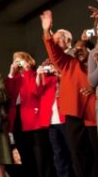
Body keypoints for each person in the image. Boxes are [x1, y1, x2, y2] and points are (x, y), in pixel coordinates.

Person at [40, 10, 98, 177]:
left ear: (91, 51)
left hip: (93, 115)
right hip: (73, 112)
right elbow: (54, 53)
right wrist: (47, 31)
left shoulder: (94, 62)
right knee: (78, 155)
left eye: (81, 49)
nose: (77, 52)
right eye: (76, 50)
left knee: (95, 153)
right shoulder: (68, 63)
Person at [4, 51, 55, 177]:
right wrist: (11, 74)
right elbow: (7, 94)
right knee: (25, 154)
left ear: (28, 61)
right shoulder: (14, 79)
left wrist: (27, 71)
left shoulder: (33, 74)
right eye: (16, 61)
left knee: (41, 156)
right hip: (18, 120)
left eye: (20, 60)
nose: (18, 64)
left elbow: (34, 91)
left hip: (34, 120)